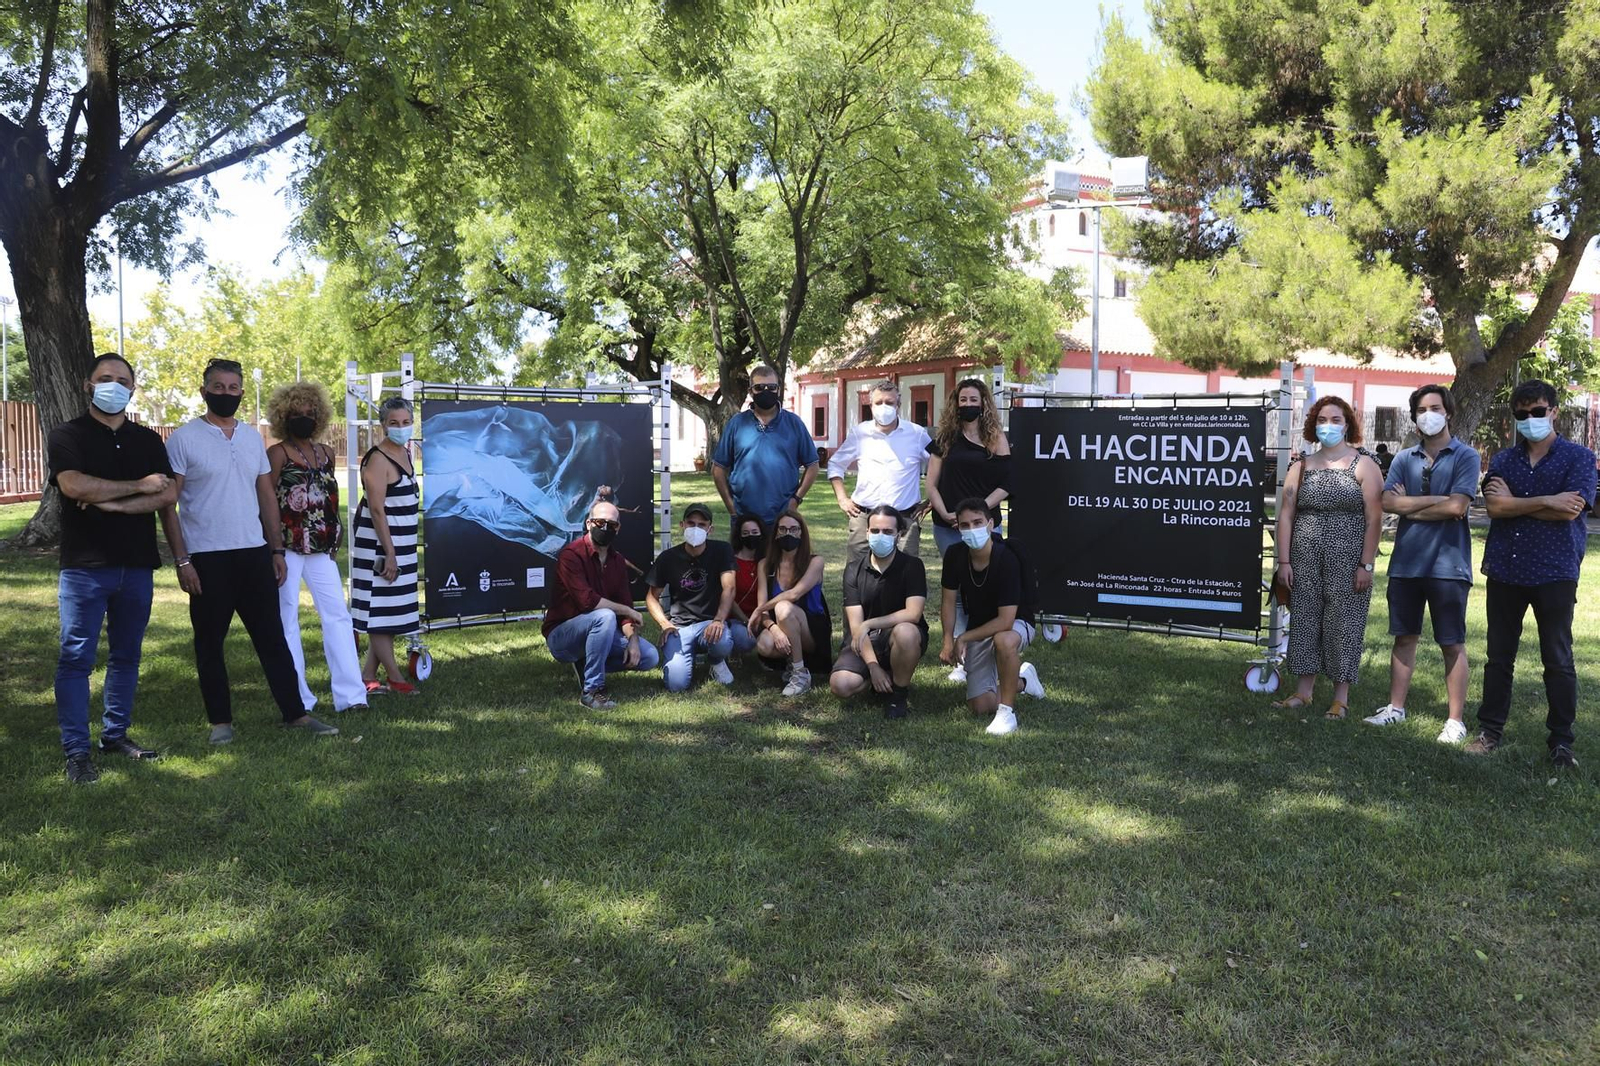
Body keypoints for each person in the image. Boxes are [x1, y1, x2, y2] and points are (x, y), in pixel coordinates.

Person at [161, 358, 339, 742]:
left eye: (233, 388)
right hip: (207, 558)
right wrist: (182, 560)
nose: (226, 393)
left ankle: (295, 714)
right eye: (218, 387)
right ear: (204, 390)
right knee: (210, 644)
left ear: (242, 392)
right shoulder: (182, 439)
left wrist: (276, 549)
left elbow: (266, 496)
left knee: (272, 638)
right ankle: (221, 723)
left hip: (254, 553)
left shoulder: (250, 439)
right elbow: (168, 504)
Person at [47, 353, 178, 783]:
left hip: (137, 565)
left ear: (133, 389)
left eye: (122, 380)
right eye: (105, 378)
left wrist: (108, 503)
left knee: (126, 656)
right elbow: (73, 484)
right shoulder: (69, 435)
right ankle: (76, 752)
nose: (114, 385)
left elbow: (166, 496)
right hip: (85, 566)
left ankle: (115, 735)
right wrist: (138, 486)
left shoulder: (148, 441)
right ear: (89, 384)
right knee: (76, 660)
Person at [1466, 380, 1596, 766]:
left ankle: (1561, 742)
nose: (1530, 419)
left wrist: (1515, 503)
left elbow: (1571, 510)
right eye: (1521, 414)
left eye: (1538, 411)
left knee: (1557, 657)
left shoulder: (1579, 457)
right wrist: (1546, 501)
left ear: (1553, 411)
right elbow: (1494, 509)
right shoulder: (1504, 460)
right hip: (1506, 566)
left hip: (1556, 569)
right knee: (1498, 657)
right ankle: (1489, 731)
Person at [1364, 384, 1480, 742]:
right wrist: (1436, 504)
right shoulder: (1402, 459)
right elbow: (1389, 503)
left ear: (1448, 412)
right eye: (1422, 409)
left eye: (1435, 407)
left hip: (1449, 565)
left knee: (1451, 642)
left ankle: (1455, 720)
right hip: (1406, 565)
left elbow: (1458, 507)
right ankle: (1395, 708)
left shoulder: (1466, 456)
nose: (1429, 414)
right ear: (1415, 417)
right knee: (1404, 638)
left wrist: (1412, 505)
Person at [1270, 396, 1383, 720]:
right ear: (1312, 424)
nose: (1328, 425)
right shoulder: (1300, 466)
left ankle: (1340, 698)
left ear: (1347, 423)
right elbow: (1287, 515)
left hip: (1348, 561)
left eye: (1335, 419)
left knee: (1343, 624)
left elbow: (1374, 518)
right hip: (1304, 559)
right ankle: (1303, 692)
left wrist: (1366, 564)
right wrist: (1284, 562)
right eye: (1322, 419)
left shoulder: (1363, 465)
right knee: (1305, 620)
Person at [266, 382, 368, 717]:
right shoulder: (277, 454)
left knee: (338, 615)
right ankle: (299, 700)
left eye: (311, 413)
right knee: (287, 620)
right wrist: (274, 548)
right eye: (297, 414)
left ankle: (352, 696)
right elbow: (265, 501)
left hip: (321, 548)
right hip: (287, 547)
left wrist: (335, 529)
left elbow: (328, 497)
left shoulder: (324, 454)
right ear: (284, 416)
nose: (305, 418)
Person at [925, 377, 1012, 682]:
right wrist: (947, 512)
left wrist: (977, 513)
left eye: (973, 400)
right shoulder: (944, 438)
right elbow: (931, 484)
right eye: (963, 400)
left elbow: (1006, 484)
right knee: (957, 591)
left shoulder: (996, 438)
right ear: (956, 403)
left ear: (983, 403)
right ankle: (963, 658)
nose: (968, 405)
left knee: (986, 588)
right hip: (948, 526)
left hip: (983, 526)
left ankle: (985, 651)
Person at [543, 499, 660, 708]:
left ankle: (587, 664)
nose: (605, 528)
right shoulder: (572, 555)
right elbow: (588, 602)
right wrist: (626, 610)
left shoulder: (617, 561)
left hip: (599, 630)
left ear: (619, 528)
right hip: (562, 636)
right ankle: (592, 691)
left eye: (612, 524)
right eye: (600, 522)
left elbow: (625, 608)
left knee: (649, 657)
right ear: (588, 523)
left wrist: (633, 639)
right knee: (604, 616)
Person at [939, 497, 1038, 736]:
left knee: (1003, 640)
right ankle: (1023, 681)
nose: (972, 529)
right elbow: (949, 601)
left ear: (990, 523)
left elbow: (1006, 621)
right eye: (965, 525)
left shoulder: (1007, 558)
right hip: (981, 626)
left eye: (978, 522)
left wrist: (964, 638)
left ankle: (1006, 713)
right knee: (980, 705)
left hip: (1017, 623)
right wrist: (947, 640)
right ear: (958, 528)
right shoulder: (954, 555)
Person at [350, 396, 422, 695]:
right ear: (383, 425)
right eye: (394, 423)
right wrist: (389, 553)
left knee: (391, 611)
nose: (401, 428)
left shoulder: (406, 454)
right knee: (380, 614)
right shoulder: (378, 459)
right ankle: (395, 677)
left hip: (401, 544)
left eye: (406, 422)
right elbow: (377, 509)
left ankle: (368, 673)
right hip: (380, 547)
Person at [830, 505, 928, 718]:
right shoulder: (854, 568)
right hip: (864, 640)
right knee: (840, 685)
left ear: (898, 535)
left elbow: (913, 614)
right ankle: (882, 679)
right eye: (875, 531)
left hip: (899, 637)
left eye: (887, 531)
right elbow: (856, 626)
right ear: (866, 533)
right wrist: (873, 666)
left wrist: (870, 623)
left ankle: (898, 695)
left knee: (906, 631)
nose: (880, 536)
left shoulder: (912, 566)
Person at [827, 379, 930, 556]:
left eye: (889, 402)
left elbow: (941, 464)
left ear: (899, 404)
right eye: (879, 402)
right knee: (858, 570)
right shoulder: (859, 433)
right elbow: (836, 464)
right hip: (864, 517)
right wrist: (842, 498)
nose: (884, 407)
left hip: (904, 518)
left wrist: (931, 502)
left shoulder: (917, 433)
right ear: (871, 405)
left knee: (906, 572)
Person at [712, 364, 820, 532]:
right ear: (750, 391)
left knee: (781, 560)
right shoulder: (737, 424)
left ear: (778, 390)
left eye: (772, 387)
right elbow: (718, 469)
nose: (766, 391)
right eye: (759, 387)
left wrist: (795, 500)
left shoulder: (794, 424)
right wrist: (732, 509)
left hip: (783, 520)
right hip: (743, 520)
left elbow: (813, 465)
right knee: (743, 560)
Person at [645, 503, 737, 692]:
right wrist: (665, 624)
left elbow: (729, 587)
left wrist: (719, 620)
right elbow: (651, 597)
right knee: (676, 685)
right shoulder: (668, 558)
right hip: (679, 626)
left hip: (710, 623)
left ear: (710, 529)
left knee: (722, 641)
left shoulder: (722, 550)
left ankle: (716, 661)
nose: (696, 528)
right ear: (682, 525)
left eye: (702, 524)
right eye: (691, 523)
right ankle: (688, 657)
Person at [749, 511, 831, 696]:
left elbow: (794, 594)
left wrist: (760, 609)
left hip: (812, 629)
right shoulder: (765, 565)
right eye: (783, 529)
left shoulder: (815, 561)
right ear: (776, 533)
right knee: (764, 644)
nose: (788, 534)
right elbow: (763, 608)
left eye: (794, 529)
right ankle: (792, 661)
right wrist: (773, 628)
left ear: (802, 533)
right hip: (782, 626)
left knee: (783, 607)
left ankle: (800, 673)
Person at [728, 513, 767, 656]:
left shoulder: (768, 561)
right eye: (746, 533)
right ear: (739, 536)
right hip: (737, 618)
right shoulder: (731, 561)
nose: (750, 536)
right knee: (745, 640)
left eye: (755, 532)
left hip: (764, 616)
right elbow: (728, 597)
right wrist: (746, 621)